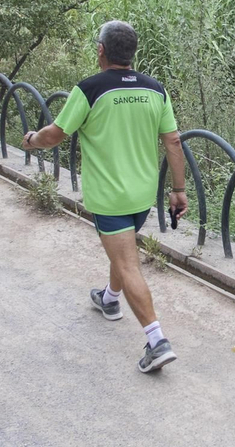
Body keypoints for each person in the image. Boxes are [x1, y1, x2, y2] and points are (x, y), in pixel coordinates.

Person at [21, 20, 189, 374]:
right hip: (143, 196)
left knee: (128, 264)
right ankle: (109, 300)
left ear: (100, 50)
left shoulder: (90, 90)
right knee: (123, 251)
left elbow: (55, 135)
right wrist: (178, 189)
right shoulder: (155, 90)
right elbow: (173, 141)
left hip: (110, 197)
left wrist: (32, 139)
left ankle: (157, 341)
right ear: (133, 53)